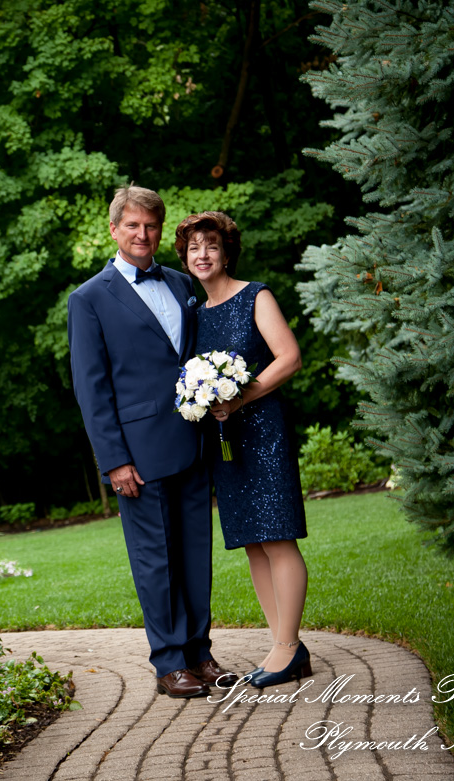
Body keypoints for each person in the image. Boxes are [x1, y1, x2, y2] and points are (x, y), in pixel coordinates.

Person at [67, 186, 238, 698]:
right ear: (114, 229)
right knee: (154, 559)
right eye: (134, 226)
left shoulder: (185, 283)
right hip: (138, 456)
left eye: (153, 226)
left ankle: (200, 654)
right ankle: (168, 663)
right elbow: (91, 388)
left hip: (192, 440)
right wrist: (114, 460)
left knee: (194, 554)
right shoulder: (89, 298)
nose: (144, 235)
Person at [175, 210, 310, 689]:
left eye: (211, 245)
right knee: (252, 541)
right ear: (186, 257)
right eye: (194, 248)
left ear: (226, 251)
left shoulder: (256, 295)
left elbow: (289, 357)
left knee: (277, 535)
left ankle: (288, 648)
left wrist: (241, 396)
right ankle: (284, 643)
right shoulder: (194, 314)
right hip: (224, 440)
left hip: (263, 432)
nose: (203, 255)